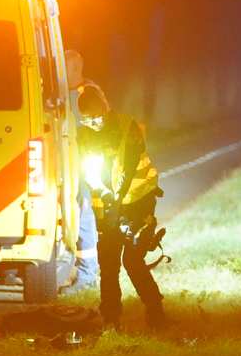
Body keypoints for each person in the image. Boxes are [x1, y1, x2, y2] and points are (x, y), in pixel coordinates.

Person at [76, 84, 167, 330]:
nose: (94, 124)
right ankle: (111, 317)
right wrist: (105, 196)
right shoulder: (84, 135)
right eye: (87, 120)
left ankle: (156, 311)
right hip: (108, 206)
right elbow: (89, 170)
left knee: (133, 261)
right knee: (108, 261)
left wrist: (115, 200)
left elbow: (126, 171)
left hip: (138, 200)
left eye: (97, 118)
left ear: (105, 109)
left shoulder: (127, 127)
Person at [65, 50, 101, 290]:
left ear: (76, 69)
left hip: (84, 165)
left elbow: (98, 130)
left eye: (63, 69)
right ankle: (76, 269)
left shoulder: (87, 93)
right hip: (68, 163)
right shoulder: (65, 93)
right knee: (73, 214)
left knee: (84, 213)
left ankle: (88, 275)